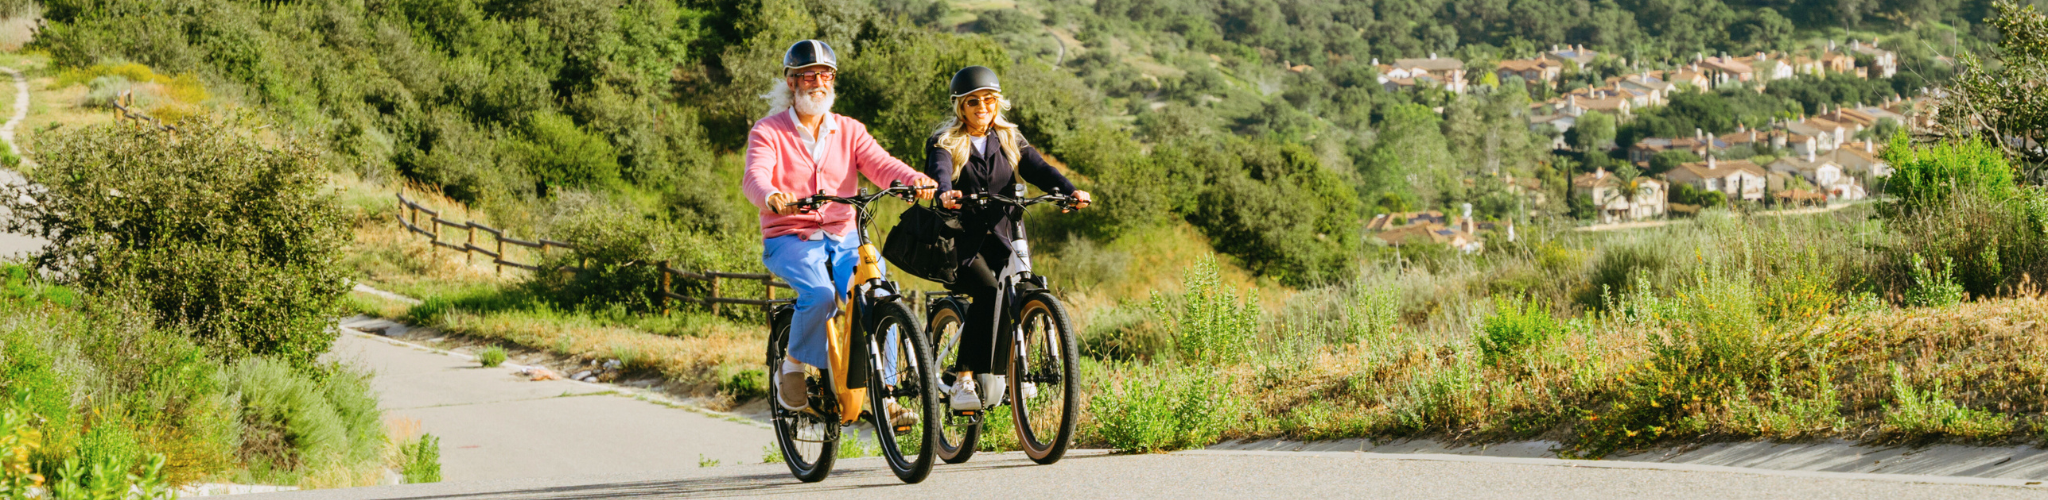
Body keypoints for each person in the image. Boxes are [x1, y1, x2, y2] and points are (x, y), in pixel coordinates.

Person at [741, 40, 937, 419]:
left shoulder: (849, 130)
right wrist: (772, 195)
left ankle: (887, 394)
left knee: (880, 292)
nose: (819, 82)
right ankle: (793, 366)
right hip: (791, 236)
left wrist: (913, 180)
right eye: (810, 75)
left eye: (826, 74)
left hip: (845, 234)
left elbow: (881, 164)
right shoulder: (769, 131)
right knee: (820, 294)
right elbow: (755, 176)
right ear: (792, 81)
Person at [925, 66, 1093, 410]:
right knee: (988, 292)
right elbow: (940, 171)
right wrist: (944, 192)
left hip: (1004, 236)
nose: (982, 106)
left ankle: (1017, 370)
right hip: (962, 242)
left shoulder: (1010, 139)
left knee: (1027, 291)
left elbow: (1040, 169)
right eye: (973, 101)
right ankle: (963, 379)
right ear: (961, 106)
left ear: (998, 102)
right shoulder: (945, 142)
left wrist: (1070, 191)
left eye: (988, 99)